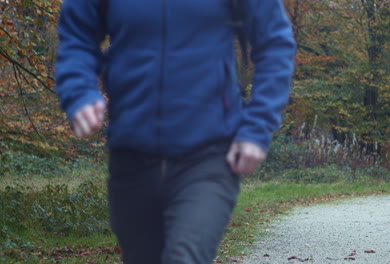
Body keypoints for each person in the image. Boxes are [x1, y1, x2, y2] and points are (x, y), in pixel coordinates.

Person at [55, 0, 296, 263]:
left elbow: (274, 44)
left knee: (184, 257)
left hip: (210, 155)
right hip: (131, 157)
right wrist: (79, 92)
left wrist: (257, 126)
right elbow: (76, 37)